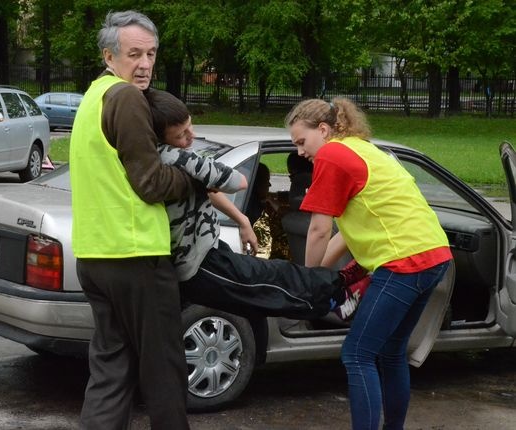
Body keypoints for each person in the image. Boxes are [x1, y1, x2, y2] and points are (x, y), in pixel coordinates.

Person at [286, 97, 453, 429]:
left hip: (403, 262)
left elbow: (320, 229)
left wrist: (307, 281)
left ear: (323, 130)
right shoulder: (363, 149)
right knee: (391, 352)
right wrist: (319, 276)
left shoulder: (332, 155)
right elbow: (347, 234)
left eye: (302, 142)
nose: (300, 151)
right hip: (435, 255)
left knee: (357, 354)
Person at [69, 11, 194, 430]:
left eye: (151, 54)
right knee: (164, 373)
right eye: (134, 54)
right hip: (137, 254)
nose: (144, 64)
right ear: (109, 55)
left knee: (111, 370)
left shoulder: (92, 97)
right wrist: (192, 179)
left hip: (93, 255)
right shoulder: (125, 98)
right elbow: (151, 182)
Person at [146, 89, 366, 320]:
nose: (191, 137)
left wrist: (241, 220)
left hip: (208, 249)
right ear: (162, 139)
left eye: (190, 126)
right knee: (269, 287)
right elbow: (237, 181)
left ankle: (338, 285)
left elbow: (206, 190)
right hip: (199, 262)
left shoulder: (158, 160)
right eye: (181, 135)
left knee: (270, 280)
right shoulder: (179, 159)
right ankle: (335, 298)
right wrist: (310, 278)